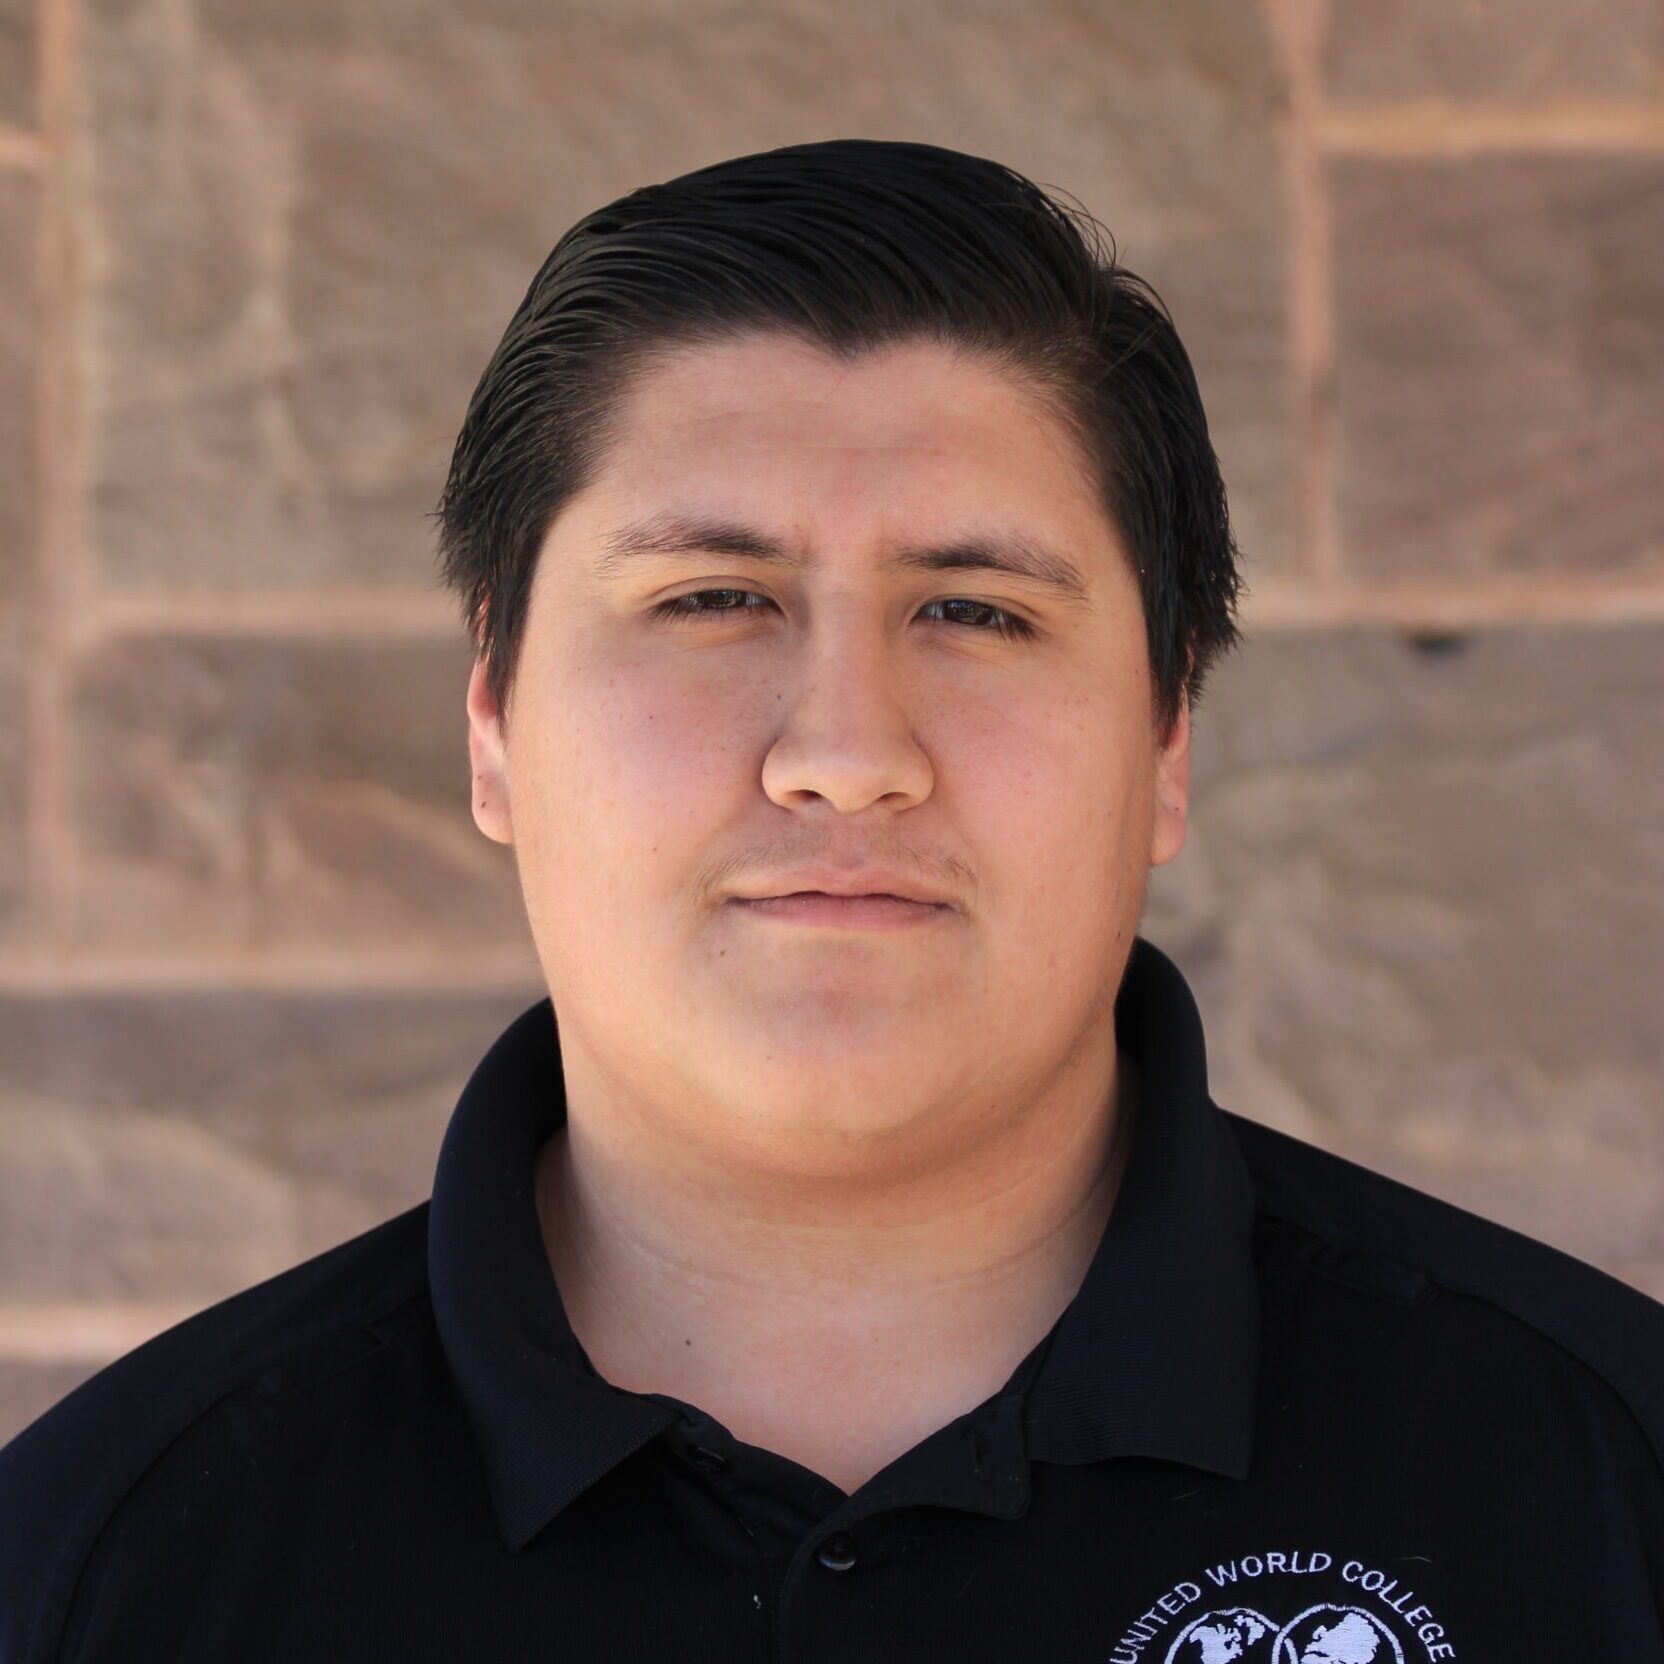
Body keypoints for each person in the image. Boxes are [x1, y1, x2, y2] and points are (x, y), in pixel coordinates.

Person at [2, 139, 1660, 1663]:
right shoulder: (92, 1576)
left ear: (1168, 737)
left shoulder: (1609, 1496)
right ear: (494, 718)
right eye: (714, 598)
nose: (848, 757)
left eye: (976, 612)